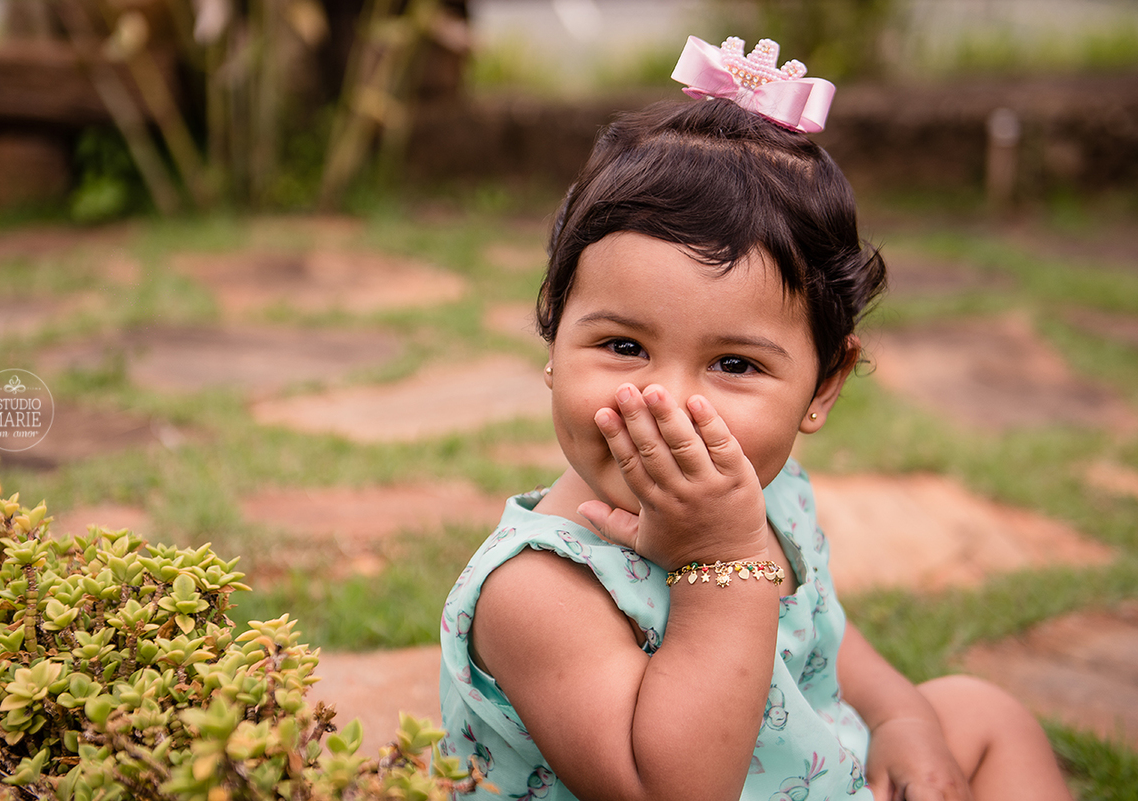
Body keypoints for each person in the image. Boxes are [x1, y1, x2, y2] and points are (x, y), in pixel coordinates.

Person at [439, 34, 1072, 801]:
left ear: (822, 386)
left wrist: (900, 716)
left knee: (980, 713)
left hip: (807, 776)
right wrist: (721, 561)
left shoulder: (770, 491)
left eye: (734, 364)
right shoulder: (541, 588)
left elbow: (817, 635)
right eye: (623, 344)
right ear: (554, 343)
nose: (668, 400)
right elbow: (670, 787)